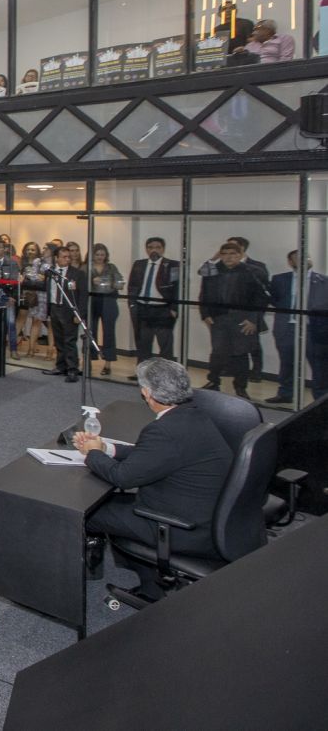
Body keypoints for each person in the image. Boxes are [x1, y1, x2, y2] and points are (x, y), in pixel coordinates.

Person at [74, 358, 233, 603]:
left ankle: (145, 584)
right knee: (114, 502)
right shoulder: (194, 416)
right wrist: (106, 448)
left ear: (147, 393)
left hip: (180, 526)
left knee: (86, 512)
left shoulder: (165, 430)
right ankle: (148, 577)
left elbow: (122, 477)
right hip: (208, 514)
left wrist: (92, 454)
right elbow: (151, 456)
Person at [199, 242, 267, 398]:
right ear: (220, 255)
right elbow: (204, 295)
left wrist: (253, 320)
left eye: (232, 254)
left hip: (242, 319)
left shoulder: (251, 271)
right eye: (225, 254)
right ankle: (213, 381)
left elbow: (261, 299)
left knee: (241, 354)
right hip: (219, 318)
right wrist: (206, 315)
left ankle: (240, 386)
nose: (228, 257)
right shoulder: (213, 272)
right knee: (217, 353)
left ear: (240, 255)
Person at [266, 251, 327, 405]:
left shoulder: (323, 281)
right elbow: (274, 301)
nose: (305, 260)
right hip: (287, 327)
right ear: (290, 262)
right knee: (287, 362)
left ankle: (321, 398)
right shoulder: (279, 279)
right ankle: (286, 393)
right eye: (298, 258)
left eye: (307, 257)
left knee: (319, 365)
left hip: (313, 329)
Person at [127, 237, 180, 372]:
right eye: (150, 247)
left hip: (162, 310)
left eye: (157, 247)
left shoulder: (173, 265)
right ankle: (143, 375)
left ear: (163, 249)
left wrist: (174, 308)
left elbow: (177, 288)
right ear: (146, 249)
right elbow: (132, 286)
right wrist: (132, 305)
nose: (154, 250)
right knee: (143, 344)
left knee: (165, 345)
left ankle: (167, 375)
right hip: (142, 309)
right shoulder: (139, 264)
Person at [42, 245, 85, 383]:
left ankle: (72, 369)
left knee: (70, 341)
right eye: (64, 257)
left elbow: (83, 296)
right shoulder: (51, 272)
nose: (68, 259)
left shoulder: (77, 274)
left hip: (69, 310)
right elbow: (47, 290)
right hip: (55, 308)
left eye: (69, 257)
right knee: (59, 340)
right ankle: (61, 367)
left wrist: (79, 314)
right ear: (56, 258)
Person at [87, 243, 124, 376]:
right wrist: (91, 281)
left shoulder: (111, 267)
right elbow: (80, 284)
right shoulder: (87, 267)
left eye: (102, 254)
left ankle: (107, 364)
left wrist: (115, 284)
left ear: (106, 255)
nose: (100, 257)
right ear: (93, 255)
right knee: (90, 332)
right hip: (92, 301)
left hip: (108, 300)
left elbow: (119, 282)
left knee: (109, 333)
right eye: (97, 254)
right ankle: (88, 363)